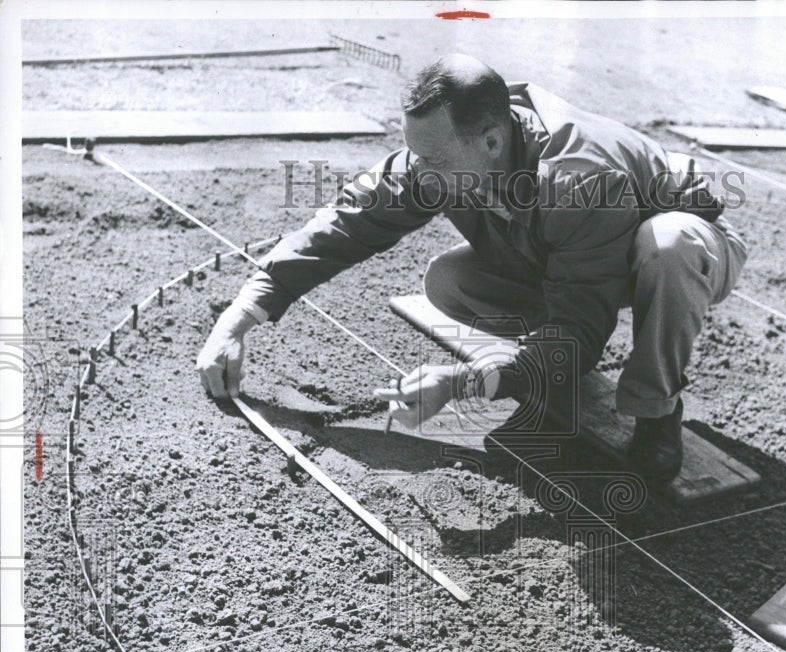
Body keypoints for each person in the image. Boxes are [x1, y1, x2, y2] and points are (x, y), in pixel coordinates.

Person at [197, 54, 747, 483]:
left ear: (490, 141)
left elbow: (584, 329)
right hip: (581, 250)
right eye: (414, 153)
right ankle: (542, 365)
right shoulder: (443, 155)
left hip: (688, 245)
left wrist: (462, 383)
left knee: (667, 245)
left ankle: (657, 411)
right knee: (449, 281)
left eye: (433, 158)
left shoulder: (576, 174)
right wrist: (240, 316)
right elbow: (348, 222)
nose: (419, 169)